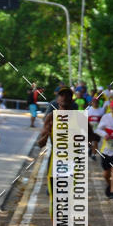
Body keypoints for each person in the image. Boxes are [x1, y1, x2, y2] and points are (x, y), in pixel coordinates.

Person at [37, 86, 77, 217]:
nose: (64, 97)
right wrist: (46, 135)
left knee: (69, 200)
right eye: (62, 95)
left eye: (67, 95)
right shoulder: (51, 118)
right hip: (55, 164)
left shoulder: (78, 118)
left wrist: (93, 142)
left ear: (71, 100)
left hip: (73, 164)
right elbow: (40, 144)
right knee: (54, 200)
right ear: (57, 99)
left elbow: (91, 136)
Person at [85, 92, 105, 160]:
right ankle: (90, 148)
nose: (95, 103)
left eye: (97, 102)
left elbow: (104, 119)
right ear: (92, 102)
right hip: (89, 129)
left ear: (98, 102)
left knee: (96, 142)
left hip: (98, 129)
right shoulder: (88, 110)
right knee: (88, 142)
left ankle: (93, 155)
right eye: (94, 102)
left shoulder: (102, 110)